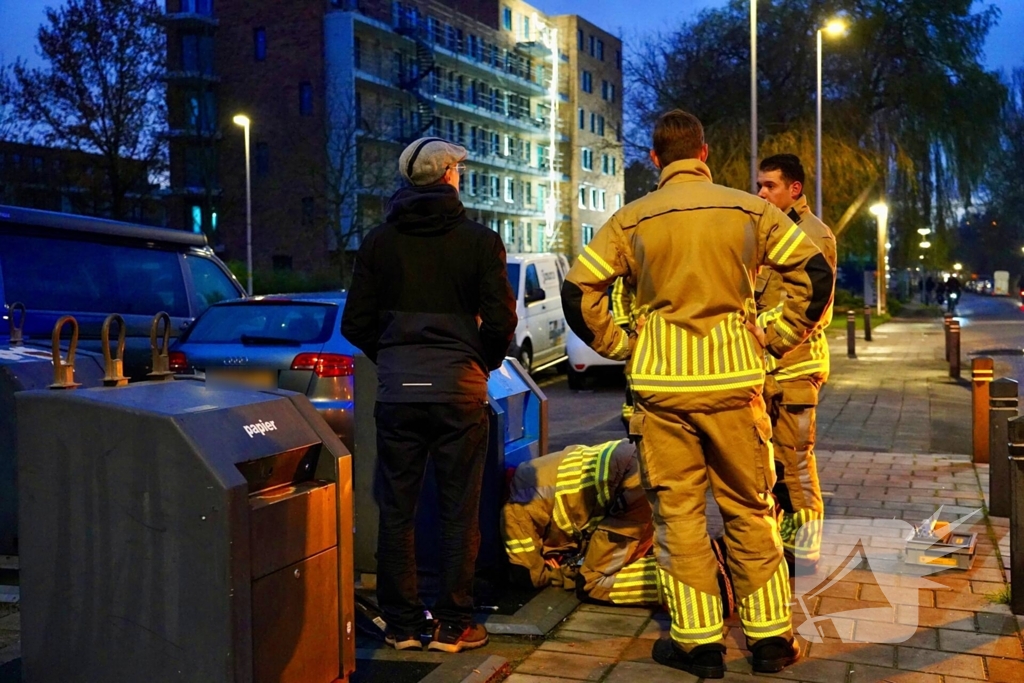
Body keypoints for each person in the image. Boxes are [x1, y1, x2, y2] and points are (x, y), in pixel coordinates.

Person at [562, 110, 833, 677]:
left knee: (679, 517)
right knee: (751, 508)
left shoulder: (630, 220)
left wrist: (622, 343)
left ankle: (698, 644)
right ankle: (769, 642)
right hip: (735, 387)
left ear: (656, 159)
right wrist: (779, 337)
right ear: (704, 154)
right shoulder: (751, 210)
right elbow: (814, 272)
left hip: (661, 392)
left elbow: (578, 289)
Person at [341, 137, 517, 653]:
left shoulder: (377, 243)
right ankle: (453, 624)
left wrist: (395, 359)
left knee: (397, 509)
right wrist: (476, 360)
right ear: (446, 177)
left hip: (399, 395)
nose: (460, 175)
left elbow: (356, 324)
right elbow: (503, 321)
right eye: (458, 169)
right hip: (459, 392)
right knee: (458, 510)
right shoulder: (480, 242)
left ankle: (399, 625)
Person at [502, 439, 735, 613]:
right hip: (648, 468)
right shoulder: (535, 474)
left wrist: (565, 572)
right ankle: (709, 558)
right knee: (645, 549)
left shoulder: (516, 510)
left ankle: (701, 586)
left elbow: (529, 577)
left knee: (591, 583)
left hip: (632, 490)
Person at [755, 154, 838, 574]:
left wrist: (762, 334)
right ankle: (780, 542)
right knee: (771, 463)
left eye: (770, 186)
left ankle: (804, 554)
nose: (762, 193)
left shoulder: (812, 235)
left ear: (795, 189)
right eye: (759, 186)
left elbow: (814, 309)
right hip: (767, 371)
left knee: (795, 461)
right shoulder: (769, 233)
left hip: (795, 368)